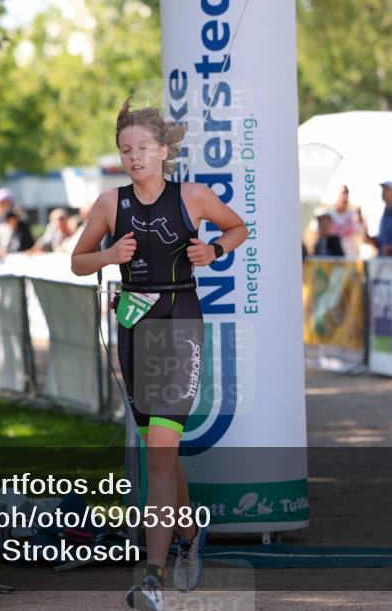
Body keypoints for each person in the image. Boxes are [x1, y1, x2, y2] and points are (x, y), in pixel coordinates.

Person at [71, 99, 247, 611]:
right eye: (126, 149)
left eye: (144, 148)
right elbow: (78, 261)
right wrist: (109, 255)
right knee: (160, 451)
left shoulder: (193, 196)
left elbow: (238, 227)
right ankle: (188, 534)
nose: (134, 157)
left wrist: (214, 251)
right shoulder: (110, 203)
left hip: (180, 320)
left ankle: (152, 577)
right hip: (134, 324)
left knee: (160, 455)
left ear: (165, 150)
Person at [326, 184, 363, 257]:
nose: (345, 196)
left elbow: (360, 235)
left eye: (346, 193)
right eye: (343, 193)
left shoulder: (353, 215)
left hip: (350, 257)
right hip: (333, 257)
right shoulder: (329, 215)